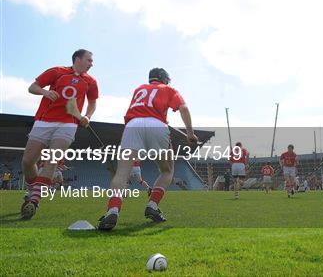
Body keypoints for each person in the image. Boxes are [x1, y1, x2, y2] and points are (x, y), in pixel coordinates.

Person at [97, 68, 197, 230]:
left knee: (122, 172)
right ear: (165, 79)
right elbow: (184, 108)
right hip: (157, 125)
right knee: (167, 170)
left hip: (133, 125)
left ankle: (113, 210)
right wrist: (190, 133)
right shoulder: (168, 89)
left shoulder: (139, 89)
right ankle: (152, 205)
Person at [20, 49, 98, 220]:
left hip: (68, 124)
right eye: (89, 60)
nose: (91, 64)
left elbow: (92, 102)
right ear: (78, 59)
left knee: (52, 160)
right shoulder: (57, 71)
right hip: (44, 120)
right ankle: (33, 190)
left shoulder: (91, 81)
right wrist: (45, 92)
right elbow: (32, 87)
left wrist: (87, 116)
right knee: (27, 161)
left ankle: (34, 201)